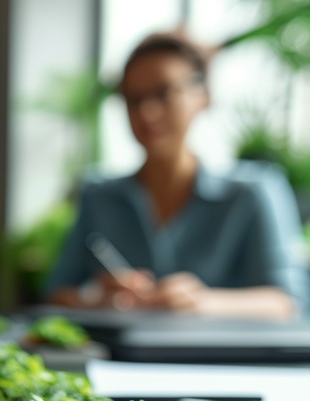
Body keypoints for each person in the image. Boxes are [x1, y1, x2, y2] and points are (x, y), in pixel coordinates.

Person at [47, 32, 307, 320]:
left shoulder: (255, 191)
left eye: (162, 93)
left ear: (203, 95)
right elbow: (57, 294)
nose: (147, 112)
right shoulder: (98, 195)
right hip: (122, 360)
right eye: (134, 99)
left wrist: (202, 302)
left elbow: (288, 302)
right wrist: (98, 299)